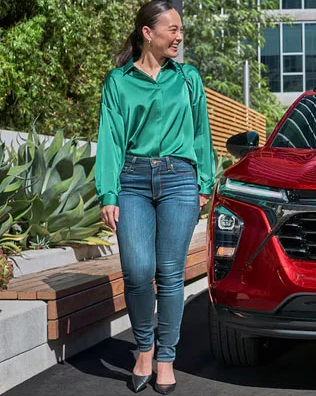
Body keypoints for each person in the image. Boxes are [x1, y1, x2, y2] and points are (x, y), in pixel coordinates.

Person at [96, 1, 216, 394]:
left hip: (180, 180)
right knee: (137, 270)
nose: (179, 36)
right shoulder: (118, 82)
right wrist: (108, 193)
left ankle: (165, 356)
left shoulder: (188, 78)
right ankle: (143, 348)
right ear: (148, 33)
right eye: (173, 29)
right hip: (132, 180)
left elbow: (201, 133)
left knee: (169, 273)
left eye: (181, 30)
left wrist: (204, 183)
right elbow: (110, 139)